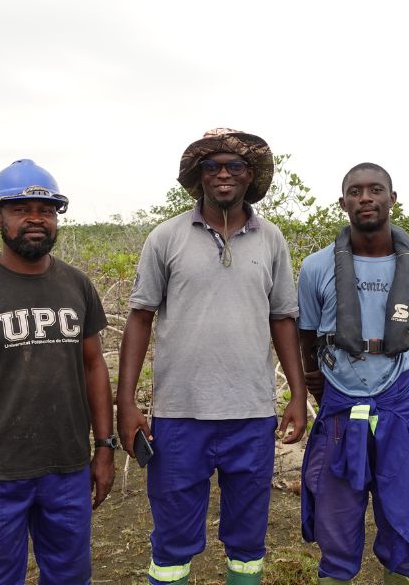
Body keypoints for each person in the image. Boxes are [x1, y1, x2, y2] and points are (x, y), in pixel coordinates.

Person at [116, 129, 307, 585]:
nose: (223, 174)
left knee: (248, 540)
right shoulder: (166, 237)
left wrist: (298, 396)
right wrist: (126, 401)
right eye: (212, 166)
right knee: (172, 538)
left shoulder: (271, 239)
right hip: (180, 415)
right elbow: (140, 317)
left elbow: (283, 319)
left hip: (252, 414)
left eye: (235, 166)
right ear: (197, 176)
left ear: (250, 176)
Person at [0, 159, 117, 584]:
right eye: (20, 209)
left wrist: (105, 448)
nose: (36, 218)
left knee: (70, 577)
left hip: (67, 470)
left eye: (46, 210)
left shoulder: (77, 285)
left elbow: (94, 366)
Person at [297, 162, 409, 585]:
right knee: (335, 517)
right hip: (337, 400)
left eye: (375, 189)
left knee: (404, 512)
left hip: (396, 401)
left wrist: (388, 375)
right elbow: (307, 335)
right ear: (343, 202)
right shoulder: (315, 268)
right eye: (355, 191)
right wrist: (317, 382)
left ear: (392, 199)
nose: (365, 198)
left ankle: (403, 573)